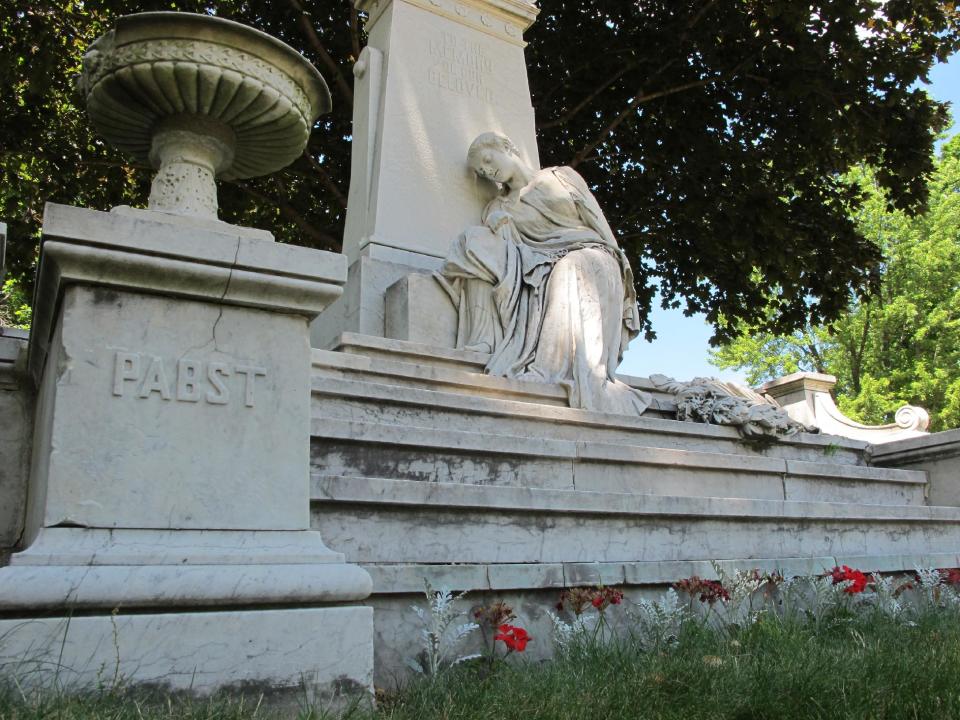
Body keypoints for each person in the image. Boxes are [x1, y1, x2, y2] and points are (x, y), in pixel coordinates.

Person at [436, 132, 651, 415]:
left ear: (507, 146)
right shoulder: (497, 208)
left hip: (589, 253)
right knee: (475, 241)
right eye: (481, 170)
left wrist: (621, 272)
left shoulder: (562, 177)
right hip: (539, 264)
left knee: (573, 268)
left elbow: (597, 221)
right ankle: (487, 342)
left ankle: (546, 369)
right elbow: (512, 249)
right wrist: (499, 227)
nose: (487, 170)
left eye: (488, 160)